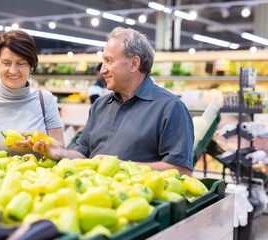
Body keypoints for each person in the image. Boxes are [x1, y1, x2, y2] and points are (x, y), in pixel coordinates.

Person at [29, 27, 194, 176]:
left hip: (138, 204)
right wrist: (60, 153)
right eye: (103, 62)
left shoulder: (169, 108)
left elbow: (181, 171)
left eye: (109, 61)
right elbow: (83, 154)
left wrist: (121, 166)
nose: (102, 70)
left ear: (134, 64)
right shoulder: (100, 106)